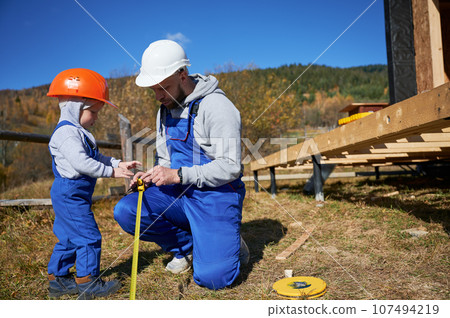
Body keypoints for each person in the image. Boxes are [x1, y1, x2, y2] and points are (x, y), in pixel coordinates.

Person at [114, 40, 249, 290]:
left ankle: (227, 240)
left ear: (182, 74)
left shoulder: (216, 107)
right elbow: (166, 159)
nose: (158, 97)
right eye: (153, 90)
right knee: (126, 211)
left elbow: (231, 167)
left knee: (214, 278)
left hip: (215, 195)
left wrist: (178, 174)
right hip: (180, 192)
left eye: (163, 88)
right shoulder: (164, 109)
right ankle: (186, 246)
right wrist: (153, 175)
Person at [46, 68, 141, 299]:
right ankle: (88, 283)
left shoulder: (78, 131)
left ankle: (58, 279)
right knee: (89, 236)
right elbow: (83, 164)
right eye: (94, 112)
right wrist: (112, 173)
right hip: (70, 193)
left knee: (69, 236)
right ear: (76, 105)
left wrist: (119, 163)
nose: (96, 118)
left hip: (72, 194)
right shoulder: (67, 134)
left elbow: (96, 157)